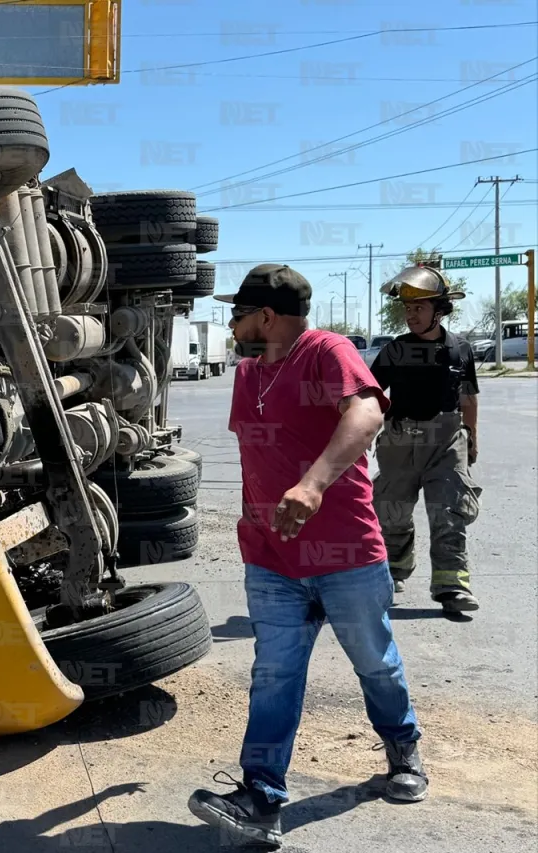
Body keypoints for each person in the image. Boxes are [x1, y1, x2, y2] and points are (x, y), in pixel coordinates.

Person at [187, 264, 427, 849]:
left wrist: (314, 484)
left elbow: (368, 412)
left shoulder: (327, 350)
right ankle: (261, 799)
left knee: (375, 662)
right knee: (274, 676)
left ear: (267, 316)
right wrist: (252, 519)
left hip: (344, 550)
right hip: (271, 558)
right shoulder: (247, 373)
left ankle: (403, 748)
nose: (233, 323)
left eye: (239, 313)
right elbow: (255, 455)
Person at [369, 265, 481, 614]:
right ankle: (393, 572)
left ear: (439, 310)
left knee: (449, 511)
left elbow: (468, 398)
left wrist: (472, 438)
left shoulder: (460, 350)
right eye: (407, 309)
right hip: (400, 442)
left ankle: (452, 585)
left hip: (447, 443)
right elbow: (370, 396)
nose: (411, 315)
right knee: (392, 512)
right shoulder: (394, 350)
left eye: (419, 308)